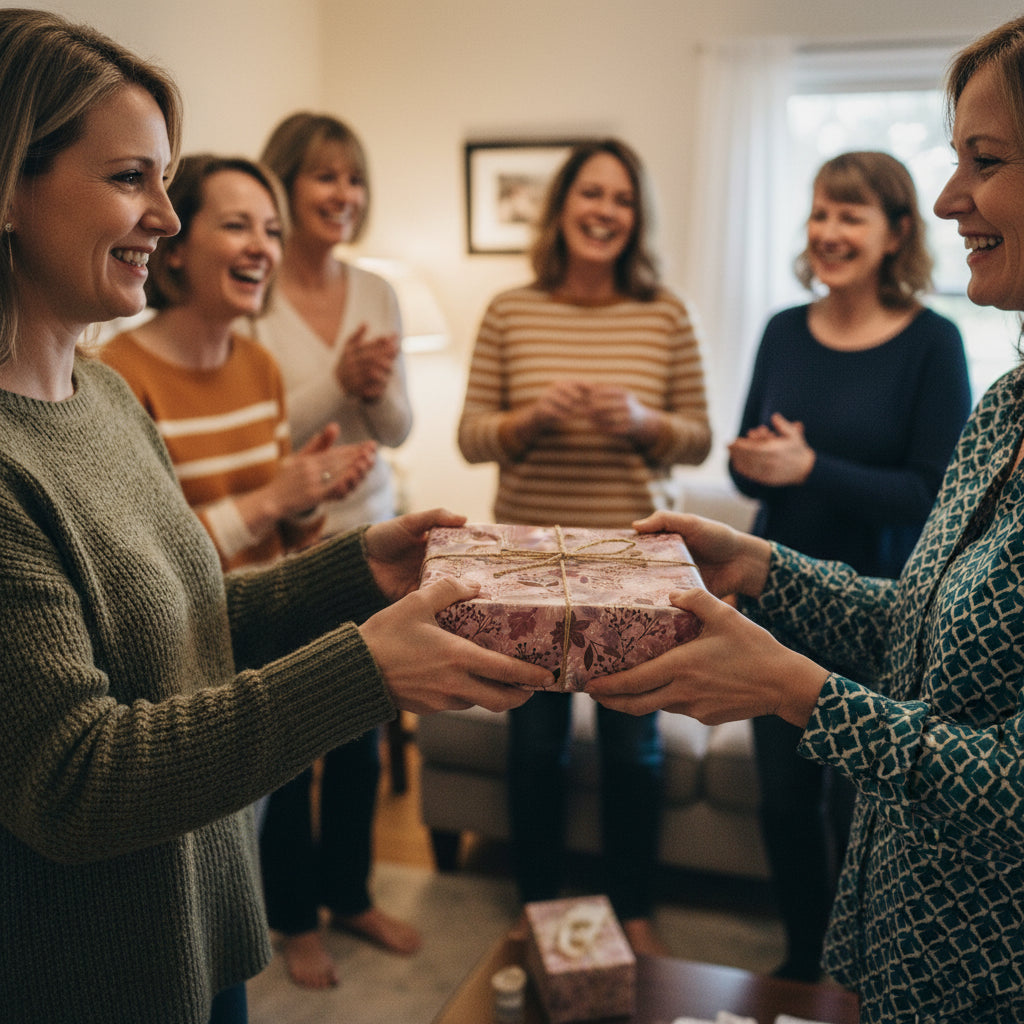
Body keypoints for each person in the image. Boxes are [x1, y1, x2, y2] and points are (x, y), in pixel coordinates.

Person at [0, 11, 552, 1024]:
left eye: (166, 182)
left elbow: (187, 619)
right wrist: (366, 666)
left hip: (203, 929)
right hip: (93, 975)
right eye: (132, 179)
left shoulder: (104, 398)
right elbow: (74, 780)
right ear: (9, 190)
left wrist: (357, 574)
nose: (165, 219)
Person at [587, 16, 1024, 1020]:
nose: (950, 196)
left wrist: (800, 689)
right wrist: (754, 563)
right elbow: (918, 625)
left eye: (984, 161)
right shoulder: (1007, 406)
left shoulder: (932, 350)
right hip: (903, 960)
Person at [457, 138, 712, 954]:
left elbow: (699, 440)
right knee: (535, 744)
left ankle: (631, 907)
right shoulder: (509, 309)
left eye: (622, 199)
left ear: (637, 218)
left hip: (634, 569)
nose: (605, 211)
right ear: (563, 206)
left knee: (633, 747)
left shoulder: (666, 312)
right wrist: (530, 420)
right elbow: (471, 437)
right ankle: (536, 902)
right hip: (526, 569)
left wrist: (643, 423)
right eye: (590, 194)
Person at [727, 151, 971, 981]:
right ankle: (802, 968)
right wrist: (758, 462)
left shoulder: (932, 343)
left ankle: (862, 975)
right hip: (777, 611)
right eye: (820, 212)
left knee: (857, 809)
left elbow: (937, 493)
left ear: (897, 231)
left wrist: (811, 468)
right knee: (786, 805)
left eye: (851, 215)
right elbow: (747, 464)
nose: (829, 232)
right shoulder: (782, 330)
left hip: (881, 614)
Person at [250, 113, 420, 988]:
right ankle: (294, 917)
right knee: (289, 739)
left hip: (370, 537)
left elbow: (395, 426)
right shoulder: (254, 289)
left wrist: (376, 390)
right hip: (284, 547)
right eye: (323, 177)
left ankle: (351, 894)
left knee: (361, 725)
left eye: (352, 178)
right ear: (283, 186)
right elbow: (256, 428)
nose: (343, 196)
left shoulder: (377, 290)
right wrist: (336, 383)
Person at [99, 153, 376, 572]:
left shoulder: (259, 365)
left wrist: (305, 498)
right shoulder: (117, 375)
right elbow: (141, 564)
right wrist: (272, 499)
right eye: (236, 226)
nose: (262, 249)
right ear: (174, 248)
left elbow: (288, 543)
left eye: (272, 232)